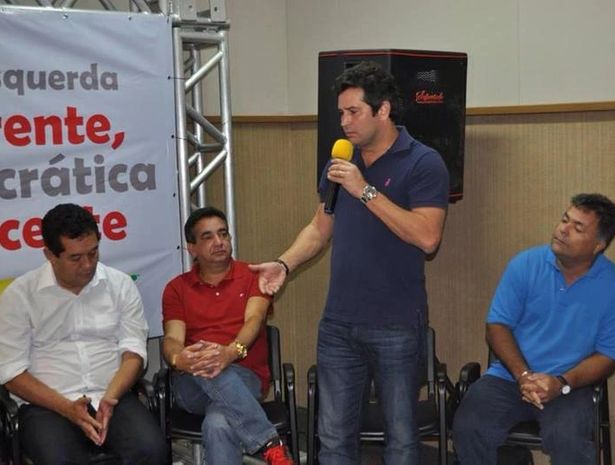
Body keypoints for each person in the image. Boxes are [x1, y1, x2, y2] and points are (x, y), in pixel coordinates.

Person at [251, 61, 450, 465]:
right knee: (334, 439)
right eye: (340, 113)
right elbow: (319, 228)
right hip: (339, 324)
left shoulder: (423, 162)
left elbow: (428, 237)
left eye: (353, 112)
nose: (343, 122)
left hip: (396, 325)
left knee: (401, 440)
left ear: (383, 110)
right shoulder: (339, 163)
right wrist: (284, 264)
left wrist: (365, 190)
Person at [452, 193, 615, 465]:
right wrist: (524, 376)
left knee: (570, 441)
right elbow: (497, 326)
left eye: (577, 227)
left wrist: (561, 382)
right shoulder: (525, 265)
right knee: (469, 425)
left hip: (569, 387)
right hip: (510, 377)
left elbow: (608, 357)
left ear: (598, 245)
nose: (563, 229)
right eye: (565, 219)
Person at [0, 203, 168, 465]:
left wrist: (111, 397)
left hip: (111, 396)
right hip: (48, 406)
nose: (88, 265)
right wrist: (66, 408)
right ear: (50, 254)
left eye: (93, 252)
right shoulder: (20, 295)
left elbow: (134, 352)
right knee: (59, 460)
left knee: (152, 450)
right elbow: (12, 374)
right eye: (76, 258)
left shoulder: (120, 285)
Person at [161, 207, 294, 465]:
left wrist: (230, 353)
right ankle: (270, 443)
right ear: (192, 248)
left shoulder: (253, 276)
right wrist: (179, 359)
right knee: (206, 361)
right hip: (192, 385)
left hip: (246, 378)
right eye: (208, 237)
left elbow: (254, 320)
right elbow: (173, 339)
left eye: (223, 234)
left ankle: (270, 448)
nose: (219, 242)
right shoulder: (176, 288)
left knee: (219, 423)